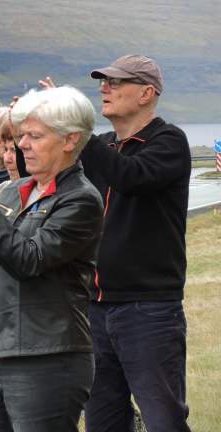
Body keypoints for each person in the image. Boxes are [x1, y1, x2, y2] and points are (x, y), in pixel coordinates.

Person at [0, 86, 104, 432]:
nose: (21, 144)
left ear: (70, 139)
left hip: (44, 354)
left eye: (34, 135)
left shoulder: (80, 201)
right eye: (19, 135)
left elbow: (28, 260)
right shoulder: (11, 191)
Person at [80, 55, 192, 432]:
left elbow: (132, 176)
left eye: (115, 82)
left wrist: (77, 134)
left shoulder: (169, 141)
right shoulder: (102, 145)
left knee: (164, 422)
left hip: (149, 310)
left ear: (146, 93)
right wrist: (36, 125)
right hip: (96, 307)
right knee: (103, 422)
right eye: (102, 82)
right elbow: (40, 170)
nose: (103, 88)